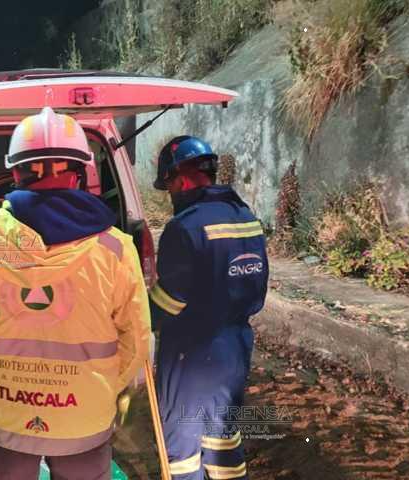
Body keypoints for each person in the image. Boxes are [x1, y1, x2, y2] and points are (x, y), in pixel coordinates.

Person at [0, 107, 152, 480]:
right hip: (84, 416)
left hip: (5, 412)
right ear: (80, 173)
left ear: (14, 173)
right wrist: (105, 387)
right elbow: (136, 341)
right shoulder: (116, 249)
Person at [149, 136, 268, 480]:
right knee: (223, 435)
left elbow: (171, 300)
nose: (171, 193)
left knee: (182, 442)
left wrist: (139, 317)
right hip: (236, 345)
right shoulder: (246, 217)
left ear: (179, 179)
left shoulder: (183, 227)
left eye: (169, 185)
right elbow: (256, 284)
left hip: (191, 350)